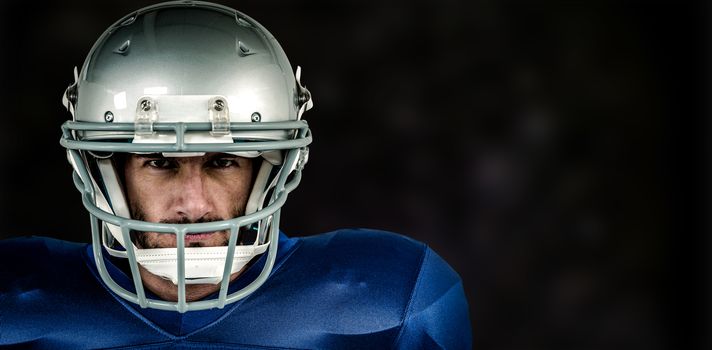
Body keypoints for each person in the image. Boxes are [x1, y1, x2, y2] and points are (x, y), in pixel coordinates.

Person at [0, 1, 472, 348]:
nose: (193, 203)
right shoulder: (14, 303)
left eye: (222, 162)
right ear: (107, 172)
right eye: (160, 163)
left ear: (272, 168)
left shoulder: (392, 303)